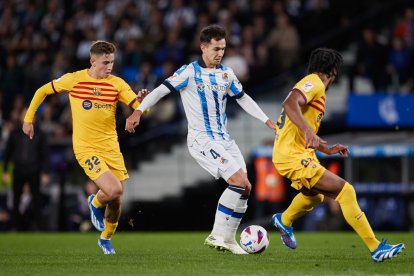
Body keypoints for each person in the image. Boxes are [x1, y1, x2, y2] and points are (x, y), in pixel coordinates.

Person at [125, 24, 276, 254]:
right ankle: (216, 235)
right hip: (201, 140)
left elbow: (244, 98)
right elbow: (161, 90)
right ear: (203, 47)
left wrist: (267, 120)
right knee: (237, 181)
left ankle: (229, 239)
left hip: (225, 139)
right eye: (216, 48)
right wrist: (138, 111)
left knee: (245, 187)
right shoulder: (189, 72)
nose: (220, 53)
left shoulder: (227, 74)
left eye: (223, 48)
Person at [271, 48, 405, 262]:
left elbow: (300, 128)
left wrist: (326, 148)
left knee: (315, 196)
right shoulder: (314, 82)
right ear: (333, 71)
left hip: (295, 152)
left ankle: (284, 220)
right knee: (346, 191)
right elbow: (289, 104)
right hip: (292, 156)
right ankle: (376, 248)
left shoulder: (314, 89)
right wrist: (308, 131)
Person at [22, 41, 147, 254]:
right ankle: (95, 203)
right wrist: (28, 119)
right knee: (113, 189)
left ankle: (105, 238)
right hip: (86, 147)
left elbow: (137, 105)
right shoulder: (74, 79)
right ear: (92, 61)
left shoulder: (117, 83)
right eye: (105, 62)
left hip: (111, 148)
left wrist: (140, 108)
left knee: (116, 200)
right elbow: (42, 91)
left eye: (112, 62)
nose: (109, 67)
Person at [3, 108, 49, 231]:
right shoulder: (15, 133)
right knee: (16, 199)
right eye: (25, 114)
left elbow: (44, 155)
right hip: (18, 169)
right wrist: (6, 171)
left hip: (34, 170)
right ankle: (15, 227)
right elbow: (7, 152)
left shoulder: (40, 134)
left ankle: (39, 227)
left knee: (36, 199)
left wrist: (45, 172)